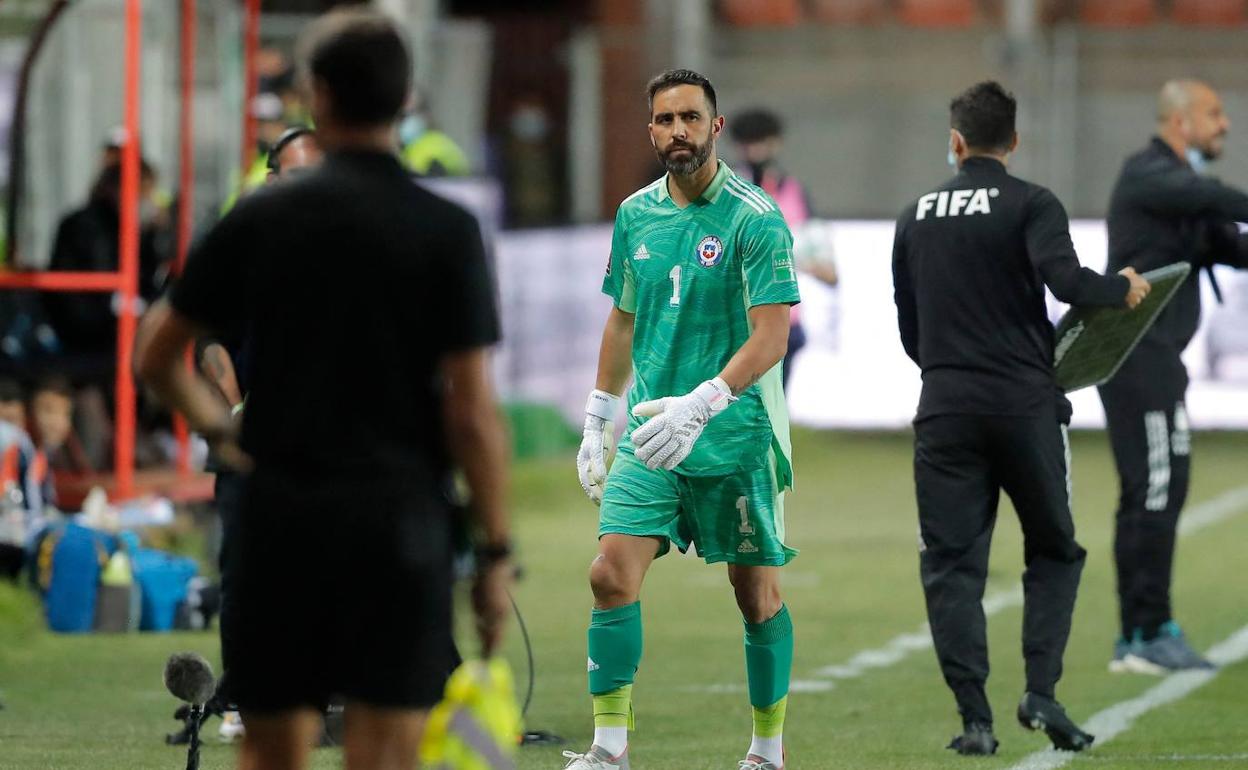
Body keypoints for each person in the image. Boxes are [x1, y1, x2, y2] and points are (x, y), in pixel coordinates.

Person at [135, 9, 512, 770]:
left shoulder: (262, 218)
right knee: (384, 749)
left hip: (282, 512)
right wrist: (496, 550)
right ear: (405, 99)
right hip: (399, 517)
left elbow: (157, 353)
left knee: (274, 749)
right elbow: (471, 410)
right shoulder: (445, 229)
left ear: (317, 96)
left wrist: (226, 432)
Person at [891, 81, 1150, 756]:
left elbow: (909, 327)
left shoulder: (915, 215)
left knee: (952, 565)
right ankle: (1041, 690)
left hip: (944, 409)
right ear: (1013, 141)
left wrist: (948, 372)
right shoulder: (1032, 202)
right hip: (1025, 408)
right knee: (1055, 550)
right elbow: (1067, 283)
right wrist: (1121, 288)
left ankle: (975, 721)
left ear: (954, 142)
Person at [571, 69, 799, 770]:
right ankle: (610, 748)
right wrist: (596, 416)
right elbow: (622, 318)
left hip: (735, 434)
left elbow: (771, 336)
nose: (679, 132)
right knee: (610, 573)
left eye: (691, 119)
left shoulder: (755, 218)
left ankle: (767, 750)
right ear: (651, 131)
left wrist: (705, 402)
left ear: (716, 127)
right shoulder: (635, 214)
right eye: (666, 120)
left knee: (755, 594)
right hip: (649, 432)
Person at [1099, 79, 1248, 674]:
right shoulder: (1150, 175)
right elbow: (1213, 198)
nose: (1225, 125)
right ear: (1181, 122)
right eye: (1215, 114)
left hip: (1157, 358)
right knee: (1155, 487)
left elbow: (1233, 245)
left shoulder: (1181, 196)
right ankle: (1145, 633)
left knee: (1160, 486)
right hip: (1136, 354)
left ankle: (1144, 630)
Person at [194, 125, 324, 744]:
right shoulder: (241, 244)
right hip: (246, 443)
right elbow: (203, 338)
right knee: (244, 568)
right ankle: (243, 696)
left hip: (326, 444)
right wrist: (235, 413)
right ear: (272, 178)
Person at [729, 109, 839, 392]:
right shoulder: (727, 190)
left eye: (760, 141)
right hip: (735, 320)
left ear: (775, 143)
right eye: (748, 142)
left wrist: (794, 258)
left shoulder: (794, 192)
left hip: (782, 318)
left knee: (772, 413)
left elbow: (827, 269)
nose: (754, 150)